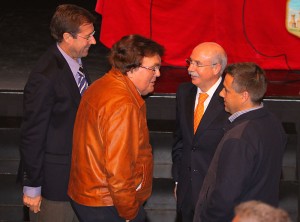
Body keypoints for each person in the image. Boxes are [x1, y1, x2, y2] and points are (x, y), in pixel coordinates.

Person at [68, 34, 164, 222]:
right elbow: (119, 170)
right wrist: (129, 212)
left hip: (90, 196)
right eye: (153, 68)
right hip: (108, 203)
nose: (158, 74)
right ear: (131, 69)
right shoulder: (123, 105)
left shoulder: (101, 85)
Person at [18, 4, 96, 221]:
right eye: (88, 36)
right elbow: (32, 134)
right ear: (67, 37)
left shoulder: (75, 63)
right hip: (54, 188)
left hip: (78, 182)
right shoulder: (45, 76)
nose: (94, 41)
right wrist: (32, 186)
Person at [193, 62, 287, 222]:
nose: (221, 94)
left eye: (227, 91)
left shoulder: (239, 138)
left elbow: (225, 198)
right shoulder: (273, 123)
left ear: (244, 96)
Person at [171, 42, 229, 221]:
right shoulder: (184, 92)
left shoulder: (230, 97)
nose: (190, 69)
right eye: (190, 62)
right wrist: (179, 179)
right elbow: (180, 139)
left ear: (216, 68)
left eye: (197, 64)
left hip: (217, 194)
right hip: (186, 192)